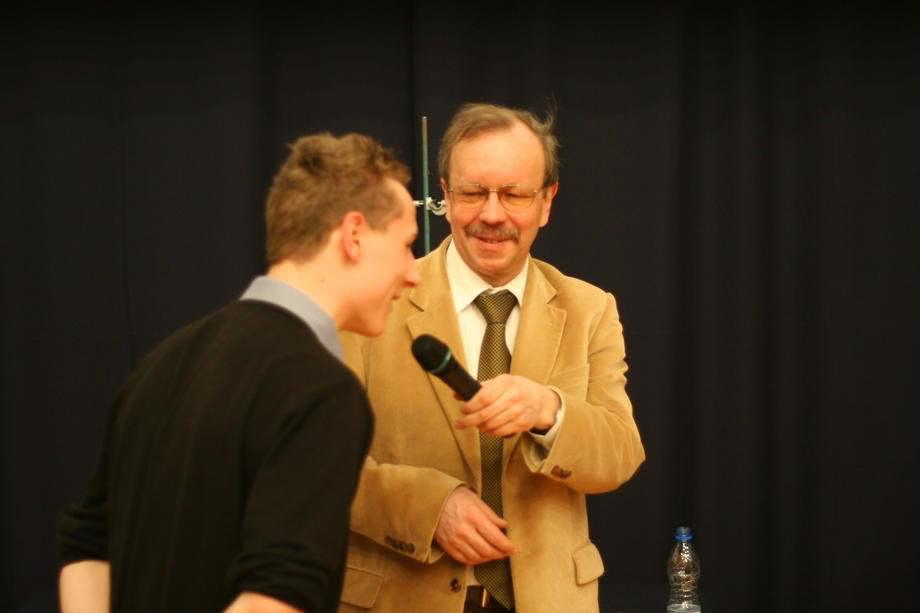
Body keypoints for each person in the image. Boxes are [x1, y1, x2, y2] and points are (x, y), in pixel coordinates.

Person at [57, 132, 420, 613]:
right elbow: (275, 596)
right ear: (354, 235)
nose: (413, 272)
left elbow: (87, 547)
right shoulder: (321, 390)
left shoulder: (161, 362)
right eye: (407, 245)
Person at [337, 103, 645, 613]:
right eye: (473, 192)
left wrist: (550, 411)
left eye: (515, 194)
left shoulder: (591, 309)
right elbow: (316, 464)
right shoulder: (372, 300)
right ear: (445, 195)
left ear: (547, 201)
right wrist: (428, 509)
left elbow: (619, 454)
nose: (492, 215)